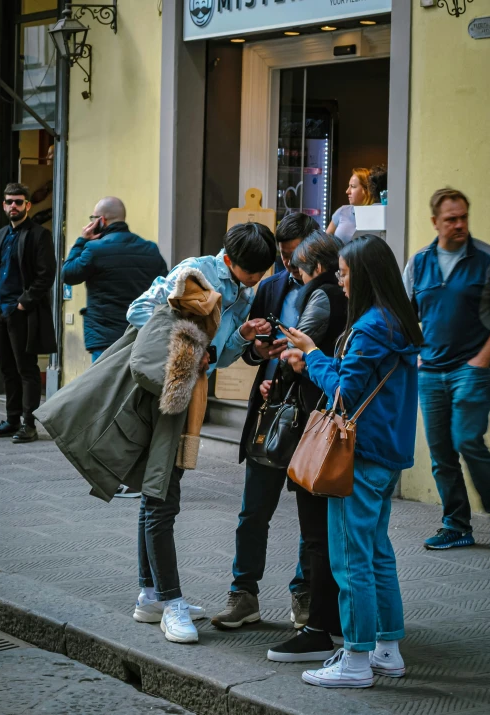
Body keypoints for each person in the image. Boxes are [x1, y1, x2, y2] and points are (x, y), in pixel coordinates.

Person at [125, 222, 277, 644]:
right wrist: (190, 344)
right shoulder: (195, 273)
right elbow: (139, 312)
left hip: (188, 399)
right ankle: (170, 602)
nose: (257, 283)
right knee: (162, 500)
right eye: (252, 274)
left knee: (158, 492)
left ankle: (150, 595)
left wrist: (241, 336)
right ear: (230, 261)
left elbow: (219, 358)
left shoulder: (242, 295)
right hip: (164, 395)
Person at [282, 234, 423, 688]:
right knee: (378, 552)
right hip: (388, 453)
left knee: (350, 559)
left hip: (358, 455)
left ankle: (357, 661)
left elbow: (343, 391)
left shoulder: (368, 327)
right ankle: (387, 649)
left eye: (343, 273)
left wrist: (312, 354)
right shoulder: (399, 321)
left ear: (361, 276)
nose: (340, 282)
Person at [211, 213, 334, 639]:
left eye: (294, 256)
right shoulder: (271, 286)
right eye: (283, 257)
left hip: (315, 415)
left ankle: (303, 594)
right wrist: (259, 351)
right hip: (272, 409)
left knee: (310, 517)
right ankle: (242, 593)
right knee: (253, 510)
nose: (288, 266)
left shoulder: (334, 291)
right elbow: (250, 350)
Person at [264, 230, 348, 662]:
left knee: (315, 532)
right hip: (338, 422)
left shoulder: (323, 295)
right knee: (331, 530)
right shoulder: (355, 299)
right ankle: (332, 618)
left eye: (297, 267)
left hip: (319, 422)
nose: (294, 275)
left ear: (315, 267)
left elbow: (301, 351)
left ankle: (316, 629)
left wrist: (287, 360)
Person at [403, 188, 490, 552]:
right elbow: (405, 315)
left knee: (466, 440)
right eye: (451, 219)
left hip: (472, 370)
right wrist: (415, 355)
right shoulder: (419, 262)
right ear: (435, 222)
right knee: (442, 452)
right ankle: (456, 524)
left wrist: (483, 360)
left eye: (463, 217)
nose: (459, 224)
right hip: (430, 371)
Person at [0, 182, 57, 444]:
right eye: (9, 202)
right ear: (4, 205)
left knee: (26, 368)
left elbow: (46, 274)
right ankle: (11, 419)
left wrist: (23, 304)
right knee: (7, 368)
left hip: (21, 311)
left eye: (18, 201)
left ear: (27, 204)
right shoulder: (3, 232)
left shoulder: (39, 235)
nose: (13, 206)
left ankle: (29, 423)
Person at [62, 196, 167, 363]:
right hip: (139, 332)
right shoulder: (150, 249)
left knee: (105, 385)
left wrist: (82, 240)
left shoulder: (94, 249)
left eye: (94, 219)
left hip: (104, 336)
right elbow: (165, 288)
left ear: (101, 220)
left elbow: (68, 274)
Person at [326, 168, 373, 244]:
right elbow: (324, 244)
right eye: (349, 186)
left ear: (366, 189)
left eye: (353, 186)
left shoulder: (378, 216)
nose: (347, 191)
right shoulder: (342, 211)